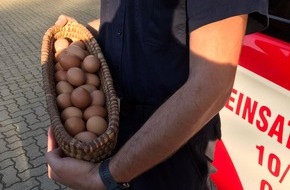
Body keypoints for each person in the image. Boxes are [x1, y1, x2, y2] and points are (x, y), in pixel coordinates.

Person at [46, 1, 268, 189]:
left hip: (169, 158)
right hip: (110, 136)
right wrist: (82, 35)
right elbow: (132, 23)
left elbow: (211, 85)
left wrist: (103, 176)